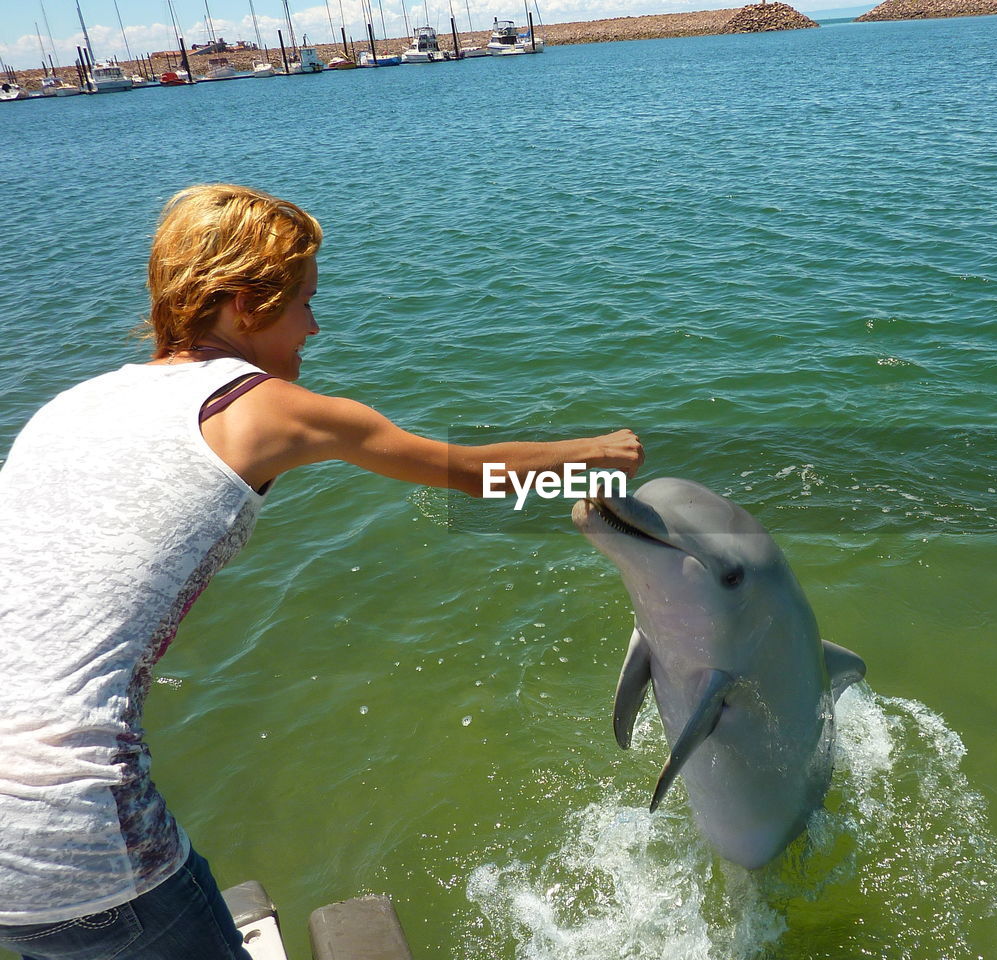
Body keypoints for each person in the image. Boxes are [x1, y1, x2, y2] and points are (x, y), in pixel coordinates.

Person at [0, 183, 644, 959]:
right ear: (244, 303)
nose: (315, 323)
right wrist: (598, 460)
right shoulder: (264, 408)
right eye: (305, 300)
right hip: (72, 820)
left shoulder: (71, 407)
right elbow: (471, 474)